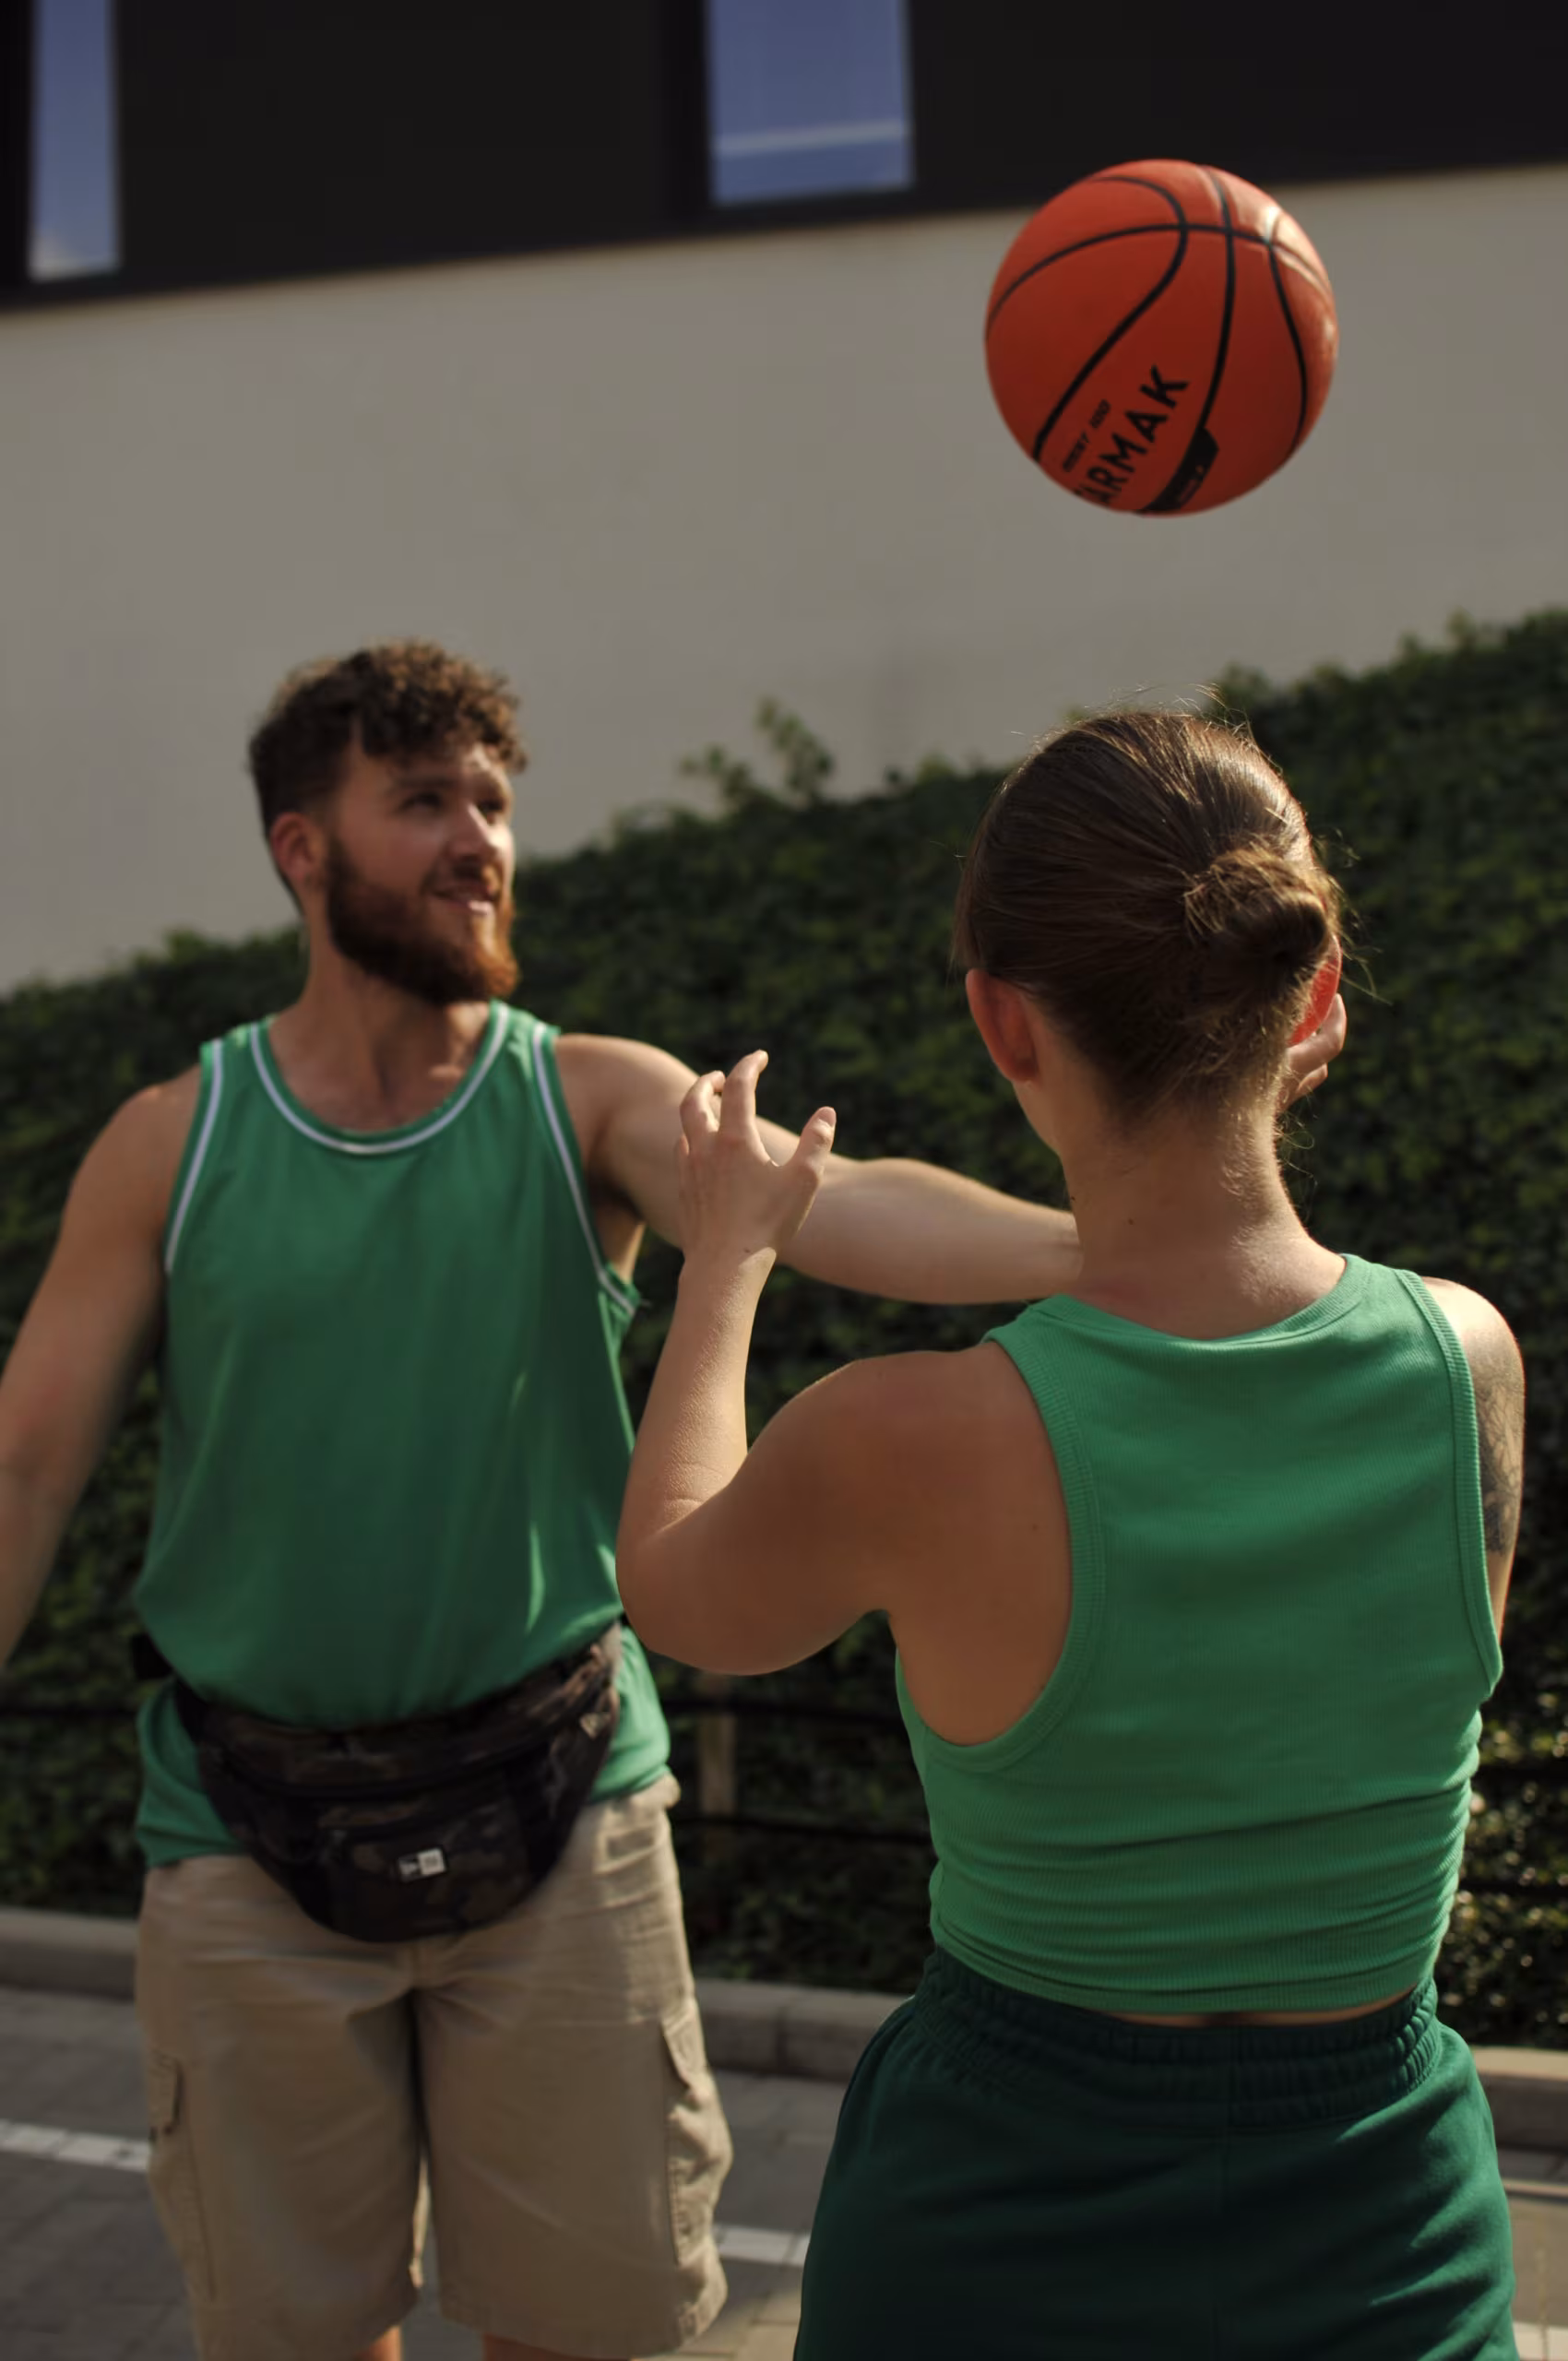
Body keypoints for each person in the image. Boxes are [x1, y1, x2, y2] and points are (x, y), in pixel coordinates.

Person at [0, 635, 1148, 2361]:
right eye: (423, 801)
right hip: (243, 1840)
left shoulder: (582, 1097)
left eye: (493, 803)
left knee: (593, 2338)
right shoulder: (174, 1140)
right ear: (302, 849)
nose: (479, 838)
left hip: (564, 1816)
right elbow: (25, 1466)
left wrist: (1125, 1246)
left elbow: (828, 1204)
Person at [615, 708, 1525, 2361]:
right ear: (1313, 993)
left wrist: (731, 1255)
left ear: (1001, 1021)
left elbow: (675, 1586)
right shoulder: (1467, 1364)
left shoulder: (909, 1438)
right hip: (1390, 2230)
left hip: (994, 2231)